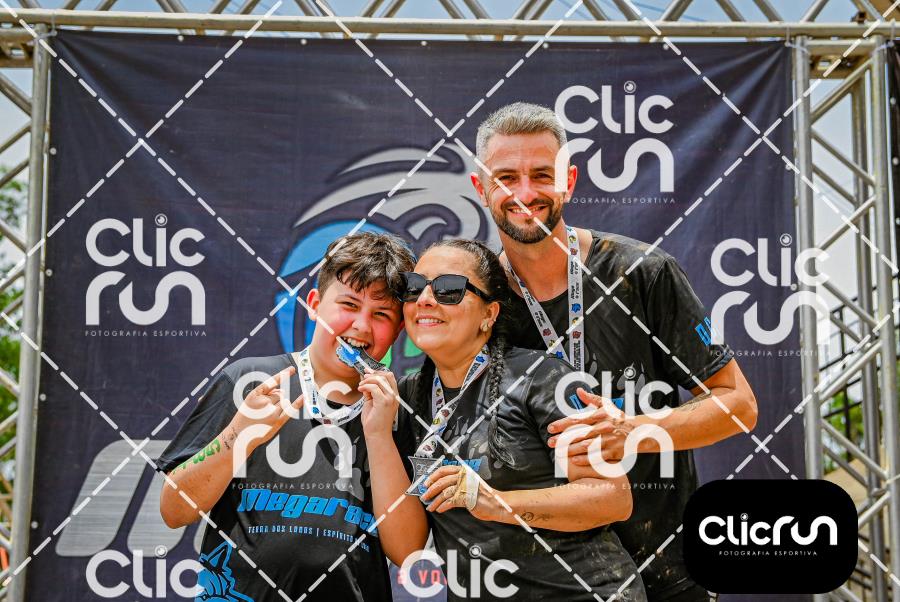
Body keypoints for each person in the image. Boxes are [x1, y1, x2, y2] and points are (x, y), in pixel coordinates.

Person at [468, 102, 759, 600]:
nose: (525, 193)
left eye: (542, 175)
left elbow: (739, 405)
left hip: (668, 572)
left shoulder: (643, 273)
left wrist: (632, 432)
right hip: (544, 584)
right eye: (506, 177)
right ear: (481, 187)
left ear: (569, 180)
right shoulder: (479, 302)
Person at [360, 238, 647, 602]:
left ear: (489, 314)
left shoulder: (543, 378)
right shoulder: (405, 400)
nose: (426, 299)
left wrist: (495, 501)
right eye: (414, 287)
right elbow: (406, 550)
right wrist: (378, 434)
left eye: (449, 289)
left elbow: (612, 498)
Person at [156, 232, 422, 602]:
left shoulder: (400, 409)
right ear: (314, 305)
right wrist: (238, 435)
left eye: (381, 314)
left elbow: (408, 552)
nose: (361, 325)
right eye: (349, 304)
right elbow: (174, 511)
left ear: (398, 329)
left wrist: (378, 436)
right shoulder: (248, 381)